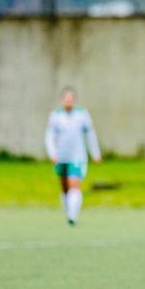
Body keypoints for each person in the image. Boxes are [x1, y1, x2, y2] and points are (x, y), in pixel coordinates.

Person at [44, 87, 101, 226]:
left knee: (74, 184)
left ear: (74, 100)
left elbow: (90, 134)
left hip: (77, 156)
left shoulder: (82, 114)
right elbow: (49, 136)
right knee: (64, 186)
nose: (68, 101)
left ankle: (72, 216)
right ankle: (68, 210)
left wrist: (95, 153)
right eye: (66, 98)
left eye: (71, 98)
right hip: (61, 157)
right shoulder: (55, 115)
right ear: (62, 100)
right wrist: (52, 153)